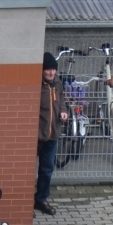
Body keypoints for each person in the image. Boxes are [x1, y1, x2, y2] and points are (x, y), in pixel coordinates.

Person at [36, 53, 66, 216]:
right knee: (29, 170)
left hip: (53, 134)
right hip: (37, 136)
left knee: (47, 169)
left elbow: (62, 101)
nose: (51, 73)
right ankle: (25, 200)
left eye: (53, 69)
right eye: (48, 69)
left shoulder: (58, 84)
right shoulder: (36, 85)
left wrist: (63, 111)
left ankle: (40, 199)